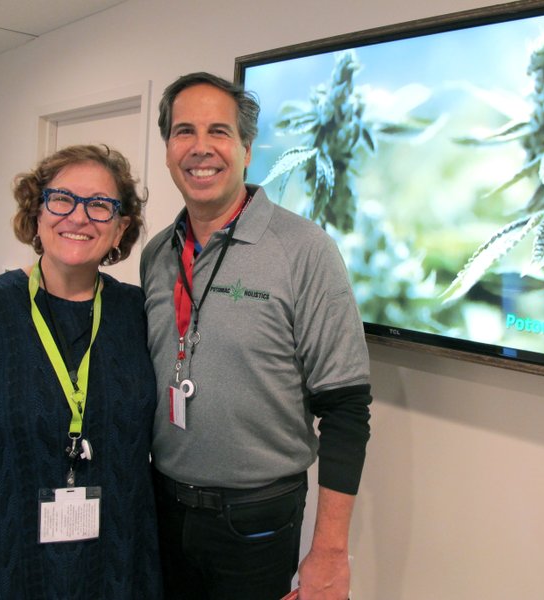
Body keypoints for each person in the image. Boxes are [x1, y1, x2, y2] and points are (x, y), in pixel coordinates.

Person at [141, 72, 372, 600]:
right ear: (168, 148)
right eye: (184, 132)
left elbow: (346, 409)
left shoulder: (304, 249)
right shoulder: (156, 254)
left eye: (219, 131)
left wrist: (331, 553)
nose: (201, 148)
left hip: (255, 520)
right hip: (162, 506)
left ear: (246, 149)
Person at [0, 144, 163, 599]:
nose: (79, 217)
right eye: (62, 199)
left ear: (121, 228)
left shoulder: (136, 316)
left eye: (101, 206)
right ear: (37, 213)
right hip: (5, 573)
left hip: (117, 573)